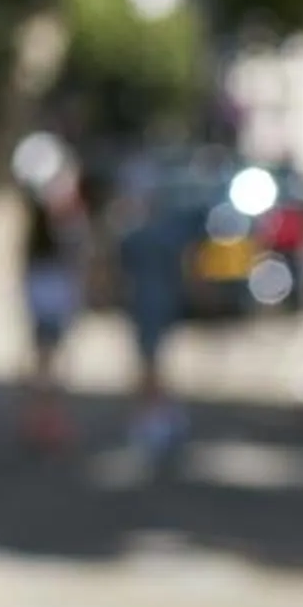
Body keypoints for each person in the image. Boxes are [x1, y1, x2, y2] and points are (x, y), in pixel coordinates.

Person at [114, 169, 194, 464]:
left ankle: (157, 419)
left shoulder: (140, 231)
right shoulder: (161, 230)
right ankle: (158, 416)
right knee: (151, 361)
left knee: (149, 363)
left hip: (149, 303)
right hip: (157, 302)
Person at [19, 175, 84, 453]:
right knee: (51, 366)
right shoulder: (63, 231)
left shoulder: (39, 236)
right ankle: (46, 418)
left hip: (44, 303)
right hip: (55, 304)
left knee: (43, 363)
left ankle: (41, 417)